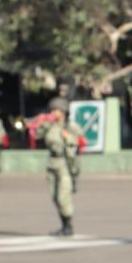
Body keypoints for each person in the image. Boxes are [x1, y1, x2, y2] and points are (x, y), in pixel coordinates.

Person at [40, 97, 83, 237]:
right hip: (52, 162)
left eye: (56, 110)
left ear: (63, 111)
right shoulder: (49, 126)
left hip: (65, 163)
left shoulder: (71, 126)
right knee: (54, 196)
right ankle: (64, 224)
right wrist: (41, 123)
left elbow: (81, 142)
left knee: (63, 197)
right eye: (52, 110)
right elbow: (37, 135)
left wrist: (68, 137)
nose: (53, 113)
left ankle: (68, 226)